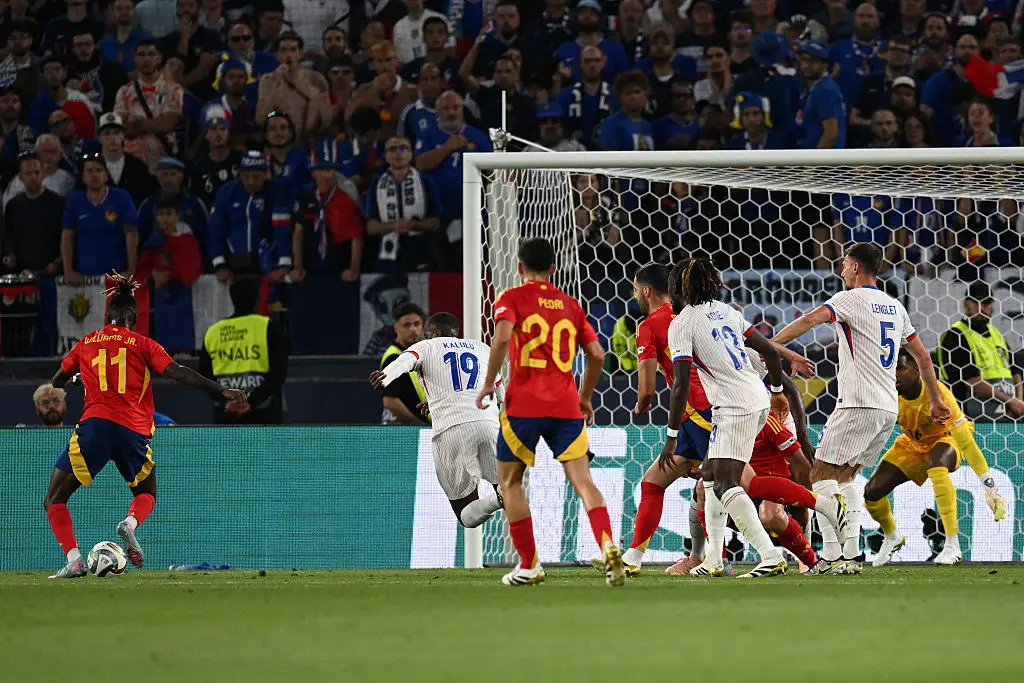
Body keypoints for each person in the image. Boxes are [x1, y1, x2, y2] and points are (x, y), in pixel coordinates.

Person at [45, 273, 246, 578]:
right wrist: (221, 390)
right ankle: (129, 523)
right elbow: (177, 372)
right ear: (134, 319)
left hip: (94, 427)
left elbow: (57, 380)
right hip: (132, 431)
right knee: (146, 492)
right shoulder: (142, 343)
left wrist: (79, 378)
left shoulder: (87, 343)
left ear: (107, 317)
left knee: (55, 498)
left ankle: (74, 559)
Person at [772, 243, 950, 575]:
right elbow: (924, 358)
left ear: (856, 267)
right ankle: (852, 554)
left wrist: (773, 345)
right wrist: (936, 400)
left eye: (844, 263)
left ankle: (831, 555)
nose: (841, 269)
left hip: (857, 403)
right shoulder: (895, 306)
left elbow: (810, 319)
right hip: (887, 407)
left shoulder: (849, 299)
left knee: (819, 475)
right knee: (845, 477)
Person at [475, 237, 625, 588]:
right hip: (566, 406)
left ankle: (529, 565)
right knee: (584, 482)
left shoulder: (511, 298)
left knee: (510, 482)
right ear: (554, 269)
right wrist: (585, 397)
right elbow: (598, 354)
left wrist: (488, 383)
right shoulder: (570, 304)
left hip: (523, 406)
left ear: (520, 267)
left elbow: (501, 339)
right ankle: (607, 544)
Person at [663, 258, 798, 579]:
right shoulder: (727, 311)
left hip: (734, 406)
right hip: (756, 397)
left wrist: (671, 435)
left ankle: (769, 555)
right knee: (711, 475)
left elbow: (680, 385)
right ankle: (713, 558)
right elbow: (770, 351)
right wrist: (777, 391)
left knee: (725, 484)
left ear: (679, 288)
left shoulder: (682, 323)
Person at [865, 349, 1008, 567]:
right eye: (891, 369)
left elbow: (968, 445)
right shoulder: (887, 396)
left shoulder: (939, 396)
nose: (895, 374)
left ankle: (952, 545)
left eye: (901, 368)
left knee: (936, 463)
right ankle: (892, 536)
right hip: (913, 445)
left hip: (947, 439)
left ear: (917, 369)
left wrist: (991, 489)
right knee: (872, 492)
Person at [370, 312, 505, 528]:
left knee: (466, 514)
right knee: (506, 487)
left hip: (450, 432)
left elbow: (405, 361)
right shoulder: (482, 348)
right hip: (489, 426)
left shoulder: (427, 346)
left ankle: (495, 502)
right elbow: (500, 395)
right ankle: (505, 499)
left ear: (436, 333)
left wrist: (385, 376)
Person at [198, 276, 288, 424]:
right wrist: (250, 402)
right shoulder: (268, 327)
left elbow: (204, 376)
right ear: (257, 300)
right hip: (264, 414)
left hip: (226, 414)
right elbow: (278, 373)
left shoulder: (213, 332)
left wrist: (226, 401)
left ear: (232, 299)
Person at [938, 282, 1023, 420]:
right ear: (966, 304)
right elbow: (971, 381)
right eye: (976, 302)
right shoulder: (955, 336)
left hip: (1008, 417)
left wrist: (1018, 403)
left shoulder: (996, 334)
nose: (982, 308)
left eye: (987, 303)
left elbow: (1015, 372)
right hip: (972, 420)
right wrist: (1011, 402)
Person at [208, 150, 293, 283]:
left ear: (265, 173)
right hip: (235, 265)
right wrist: (219, 265)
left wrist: (284, 265)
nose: (251, 182)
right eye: (246, 176)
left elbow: (282, 231)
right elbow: (216, 231)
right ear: (240, 174)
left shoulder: (277, 191)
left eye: (256, 176)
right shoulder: (226, 192)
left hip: (269, 265)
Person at [292, 137, 365, 281]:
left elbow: (356, 237)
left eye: (330, 169)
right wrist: (297, 266)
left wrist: (354, 268)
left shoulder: (346, 199)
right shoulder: (306, 198)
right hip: (310, 270)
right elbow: (298, 233)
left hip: (339, 270)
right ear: (312, 172)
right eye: (321, 169)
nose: (326, 174)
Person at [60, 153, 139, 283]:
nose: (94, 175)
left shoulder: (122, 198)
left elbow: (131, 233)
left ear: (106, 175)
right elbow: (67, 236)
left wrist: (131, 269)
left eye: (99, 170)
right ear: (83, 176)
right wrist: (68, 271)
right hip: (84, 278)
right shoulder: (74, 200)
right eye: (90, 171)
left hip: (117, 276)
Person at [113, 39, 184, 172]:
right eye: (141, 55)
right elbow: (121, 128)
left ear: (159, 58)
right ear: (134, 58)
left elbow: (167, 124)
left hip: (163, 162)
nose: (146, 59)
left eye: (151, 54)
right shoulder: (124, 91)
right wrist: (154, 123)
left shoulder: (173, 89)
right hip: (132, 162)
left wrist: (137, 123)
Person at [255, 32, 332, 143]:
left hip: (310, 141)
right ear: (277, 55)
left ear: (301, 54)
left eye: (293, 50)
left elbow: (327, 119)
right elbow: (260, 119)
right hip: (280, 142)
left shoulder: (316, 79)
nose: (288, 55)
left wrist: (313, 100)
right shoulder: (268, 80)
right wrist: (275, 85)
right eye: (283, 50)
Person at [2, 152, 65, 275]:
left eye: (37, 172)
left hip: (51, 274)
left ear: (43, 174)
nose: (33, 177)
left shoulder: (58, 204)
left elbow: (68, 239)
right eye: (28, 173)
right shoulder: (13, 206)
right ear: (20, 177)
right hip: (22, 275)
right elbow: (8, 237)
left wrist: (58, 262)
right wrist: (10, 255)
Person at [380, 301, 428, 426]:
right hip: (399, 430)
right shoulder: (393, 357)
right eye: (407, 325)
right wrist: (418, 424)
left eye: (417, 324)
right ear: (396, 327)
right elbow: (390, 401)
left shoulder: (419, 354)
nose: (413, 329)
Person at [97, 112, 158, 208]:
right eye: (107, 133)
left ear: (123, 136)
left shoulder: (137, 166)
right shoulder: (91, 166)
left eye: (116, 133)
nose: (112, 138)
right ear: (99, 138)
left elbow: (147, 198)